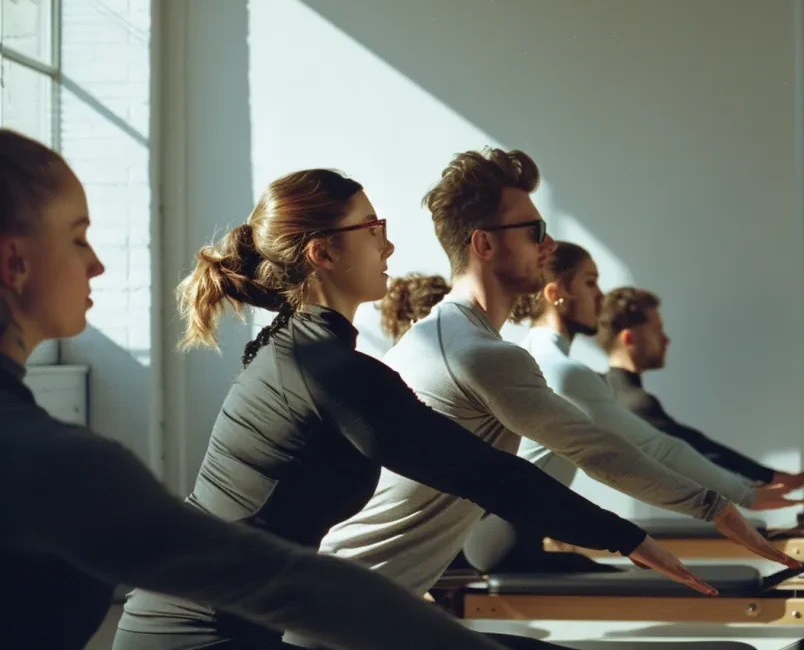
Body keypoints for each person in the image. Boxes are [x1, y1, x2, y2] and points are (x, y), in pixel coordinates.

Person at [112, 167, 709, 650]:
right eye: (372, 229)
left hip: (242, 620)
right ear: (322, 253)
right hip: (200, 633)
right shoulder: (327, 370)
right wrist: (625, 537)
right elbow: (480, 472)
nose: (389, 243)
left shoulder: (301, 350)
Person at [0, 128, 513, 650]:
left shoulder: (295, 354)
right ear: (13, 261)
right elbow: (286, 580)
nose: (98, 264)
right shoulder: (56, 461)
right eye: (77, 237)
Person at [302, 147, 800, 628]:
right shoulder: (478, 354)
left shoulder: (432, 337)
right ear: (485, 244)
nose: (549, 246)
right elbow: (597, 449)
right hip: (349, 611)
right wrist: (715, 507)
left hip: (358, 602)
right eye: (535, 230)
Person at [597, 286, 804, 489]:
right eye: (657, 330)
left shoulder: (609, 393)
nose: (666, 340)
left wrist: (765, 479)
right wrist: (767, 480)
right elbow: (694, 450)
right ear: (629, 338)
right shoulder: (635, 403)